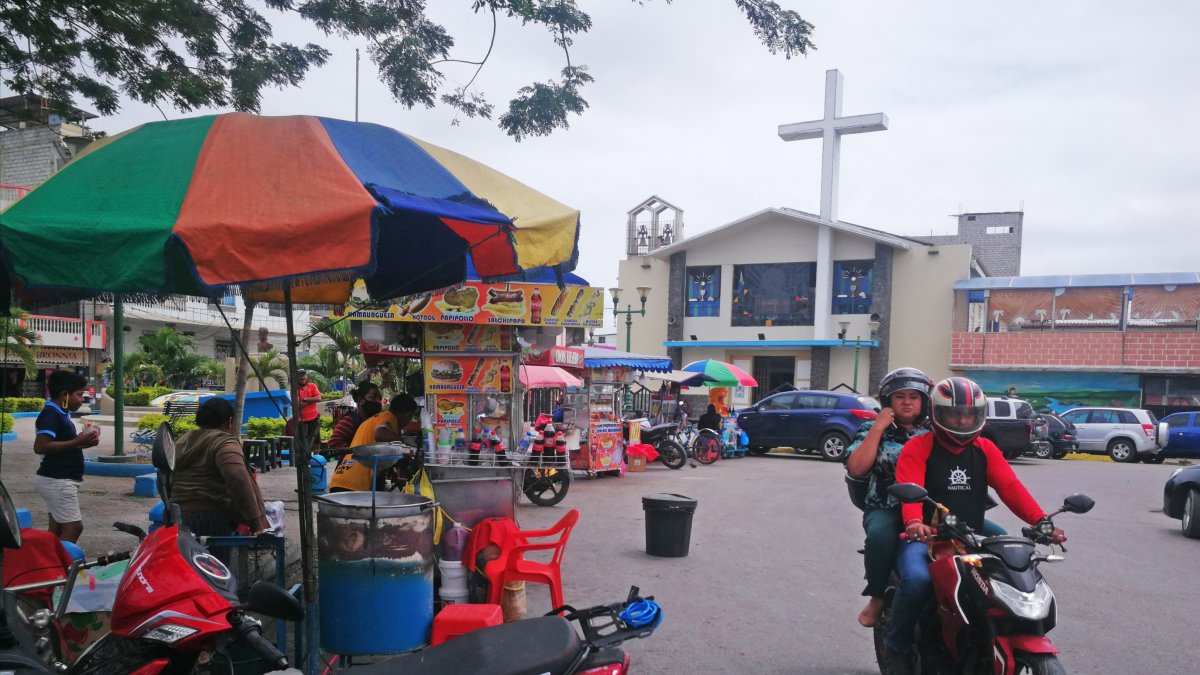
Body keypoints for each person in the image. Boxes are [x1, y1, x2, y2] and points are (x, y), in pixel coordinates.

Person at [881, 377, 1066, 674]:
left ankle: (987, 637)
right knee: (917, 581)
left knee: (1013, 563)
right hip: (928, 537)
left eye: (969, 414)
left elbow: (1011, 488)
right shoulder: (919, 447)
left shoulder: (986, 449)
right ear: (938, 415)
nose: (962, 419)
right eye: (955, 414)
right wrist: (915, 522)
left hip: (970, 532)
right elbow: (910, 486)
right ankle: (898, 648)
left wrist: (1042, 523)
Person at [844, 367, 933, 629]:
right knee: (881, 536)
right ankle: (877, 597)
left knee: (986, 535)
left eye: (914, 396)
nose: (907, 402)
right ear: (888, 402)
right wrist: (878, 428)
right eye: (900, 396)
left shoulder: (934, 429)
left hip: (930, 508)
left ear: (924, 401)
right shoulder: (872, 428)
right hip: (886, 506)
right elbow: (856, 468)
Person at [172, 398, 270, 562]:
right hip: (211, 519)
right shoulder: (223, 441)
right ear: (229, 422)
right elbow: (236, 475)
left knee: (188, 572)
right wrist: (255, 521)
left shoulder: (182, 441)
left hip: (179, 517)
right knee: (214, 578)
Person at [33, 371, 99, 543]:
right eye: (79, 395)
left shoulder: (59, 413)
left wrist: (85, 441)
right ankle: (63, 568)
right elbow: (40, 446)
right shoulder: (51, 414)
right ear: (64, 395)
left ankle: (49, 565)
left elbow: (66, 444)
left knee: (56, 529)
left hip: (56, 479)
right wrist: (77, 440)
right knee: (74, 527)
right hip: (58, 480)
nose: (81, 399)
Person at [328, 394, 420, 493]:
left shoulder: (373, 420)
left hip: (340, 480)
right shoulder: (389, 416)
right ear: (407, 414)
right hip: (355, 486)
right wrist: (403, 441)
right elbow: (379, 434)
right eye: (411, 417)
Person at [327, 381, 383, 450]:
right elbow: (333, 442)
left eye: (380, 398)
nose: (377, 401)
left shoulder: (377, 419)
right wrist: (358, 451)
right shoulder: (350, 420)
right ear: (360, 400)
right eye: (373, 397)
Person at [294, 369, 323, 452]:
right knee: (303, 443)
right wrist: (312, 400)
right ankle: (305, 460)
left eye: (304, 375)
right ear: (296, 377)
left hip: (314, 419)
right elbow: (298, 405)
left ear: (306, 376)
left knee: (316, 441)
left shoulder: (312, 386)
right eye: (300, 375)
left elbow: (319, 398)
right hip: (301, 420)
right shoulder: (294, 389)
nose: (302, 377)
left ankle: (317, 459)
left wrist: (305, 399)